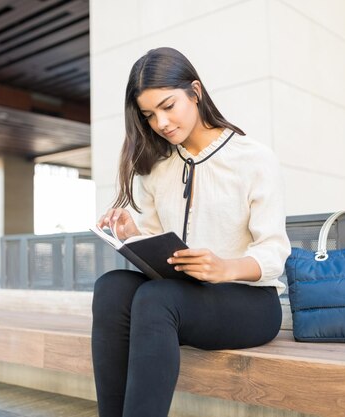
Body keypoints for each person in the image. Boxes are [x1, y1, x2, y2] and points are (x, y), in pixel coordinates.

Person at [92, 47, 291, 417]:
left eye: (169, 106)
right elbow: (158, 241)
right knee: (111, 288)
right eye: (149, 115)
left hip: (249, 302)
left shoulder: (253, 158)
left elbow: (275, 251)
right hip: (184, 296)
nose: (161, 123)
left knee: (157, 299)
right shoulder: (156, 167)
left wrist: (226, 267)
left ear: (195, 92)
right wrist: (132, 233)